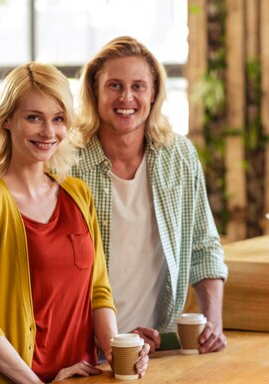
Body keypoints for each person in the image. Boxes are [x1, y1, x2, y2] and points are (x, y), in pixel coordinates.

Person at [0, 62, 149, 384]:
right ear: (7, 120)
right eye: (34, 117)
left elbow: (98, 291)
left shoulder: (78, 194)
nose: (48, 131)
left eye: (58, 118)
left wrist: (119, 351)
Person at [71, 36, 228, 354]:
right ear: (95, 92)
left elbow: (204, 245)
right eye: (114, 85)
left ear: (154, 93)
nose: (126, 97)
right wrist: (112, 339)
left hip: (161, 347)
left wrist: (213, 323)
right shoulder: (68, 161)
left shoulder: (179, 155)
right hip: (84, 348)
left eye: (138, 86)